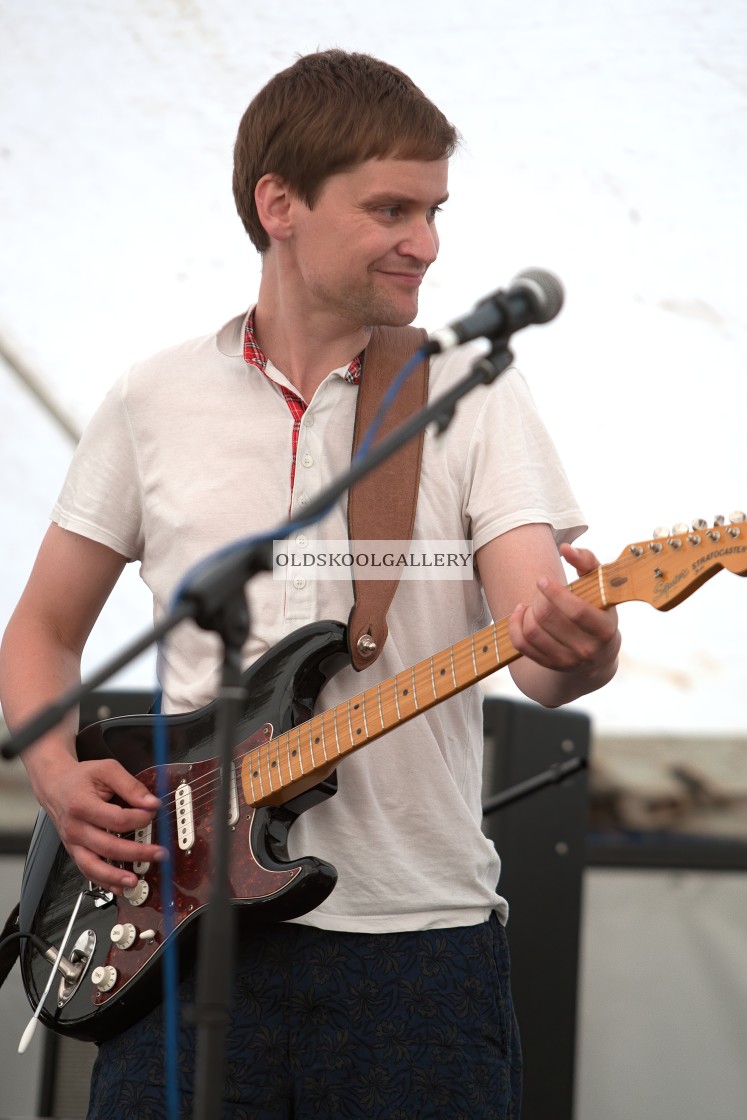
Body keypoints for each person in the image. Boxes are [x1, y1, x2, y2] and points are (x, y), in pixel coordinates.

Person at [0, 50, 620, 1119]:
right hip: (179, 944)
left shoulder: (471, 396)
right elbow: (43, 633)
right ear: (277, 204)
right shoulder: (152, 398)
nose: (425, 242)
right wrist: (54, 769)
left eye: (434, 210)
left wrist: (585, 645)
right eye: (391, 208)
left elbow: (542, 641)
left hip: (416, 957)